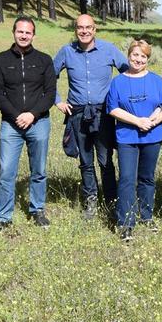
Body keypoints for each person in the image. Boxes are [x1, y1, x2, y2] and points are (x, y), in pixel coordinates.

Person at [53, 14, 129, 219]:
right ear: (75, 29)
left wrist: (123, 99)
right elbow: (48, 76)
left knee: (105, 160)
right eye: (80, 27)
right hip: (77, 114)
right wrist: (57, 100)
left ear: (95, 29)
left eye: (88, 27)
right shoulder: (67, 51)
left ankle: (112, 201)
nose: (84, 31)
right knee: (86, 161)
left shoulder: (109, 49)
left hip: (103, 113)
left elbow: (128, 72)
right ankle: (91, 201)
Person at [0, 16, 56, 231]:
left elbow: (50, 93)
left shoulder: (45, 60)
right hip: (11, 124)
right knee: (7, 171)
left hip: (39, 122)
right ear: (14, 33)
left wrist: (32, 114)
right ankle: (3, 217)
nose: (24, 35)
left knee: (39, 169)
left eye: (28, 32)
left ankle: (37, 210)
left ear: (34, 35)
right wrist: (17, 115)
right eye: (20, 31)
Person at [106, 40, 162, 241]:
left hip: (153, 135)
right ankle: (125, 222)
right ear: (128, 56)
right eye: (135, 55)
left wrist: (152, 120)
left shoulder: (156, 80)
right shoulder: (118, 82)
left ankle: (146, 215)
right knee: (126, 178)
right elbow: (113, 108)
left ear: (147, 59)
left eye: (143, 56)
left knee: (147, 177)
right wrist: (137, 122)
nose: (138, 59)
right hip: (127, 136)